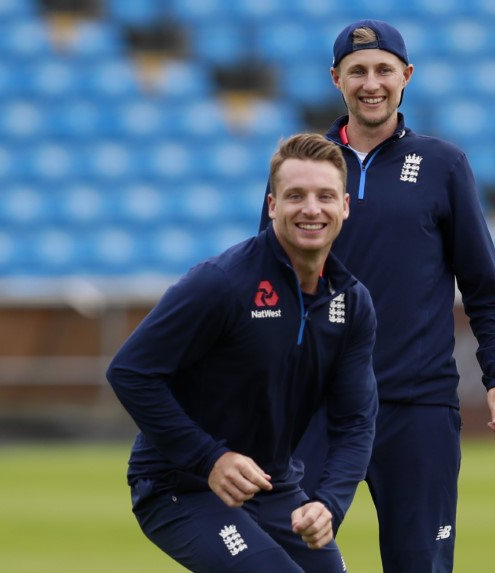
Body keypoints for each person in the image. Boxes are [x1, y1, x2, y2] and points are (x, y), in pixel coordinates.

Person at [258, 19, 495, 572]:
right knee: (288, 558)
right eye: (357, 71)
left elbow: (484, 288)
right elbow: (261, 281)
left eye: (384, 69)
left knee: (420, 564)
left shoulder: (443, 166)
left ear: (406, 76)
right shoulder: (302, 168)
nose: (371, 82)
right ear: (337, 79)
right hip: (313, 405)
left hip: (416, 406)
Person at [107, 133, 378, 573]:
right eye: (296, 196)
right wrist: (208, 459)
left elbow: (355, 421)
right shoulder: (221, 283)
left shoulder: (352, 303)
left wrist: (329, 503)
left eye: (325, 196)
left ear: (344, 206)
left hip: (275, 485)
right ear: (272, 205)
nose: (312, 208)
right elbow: (130, 372)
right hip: (182, 485)